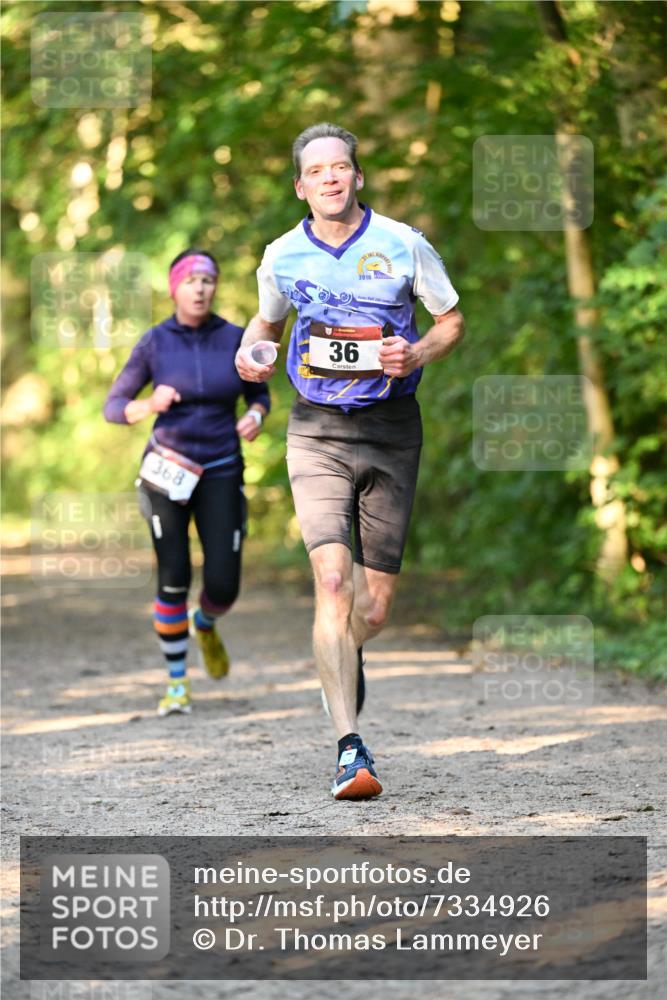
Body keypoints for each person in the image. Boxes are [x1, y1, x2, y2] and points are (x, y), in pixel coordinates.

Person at [235, 123, 464, 800]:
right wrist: (251, 354)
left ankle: (338, 652)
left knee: (375, 608)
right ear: (300, 185)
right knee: (331, 584)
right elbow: (265, 328)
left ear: (357, 178)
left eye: (342, 167)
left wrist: (415, 353)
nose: (330, 178)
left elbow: (450, 319)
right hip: (316, 430)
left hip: (393, 428)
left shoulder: (401, 243)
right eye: (317, 170)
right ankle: (348, 745)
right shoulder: (281, 257)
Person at [104, 249, 270, 716]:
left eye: (208, 279)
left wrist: (256, 415)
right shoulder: (155, 343)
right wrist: (149, 405)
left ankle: (206, 622)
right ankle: (177, 683)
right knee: (173, 577)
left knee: (224, 584)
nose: (200, 287)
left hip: (219, 467)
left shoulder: (236, 338)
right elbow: (114, 406)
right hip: (166, 472)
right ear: (174, 287)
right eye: (191, 280)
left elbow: (259, 393)